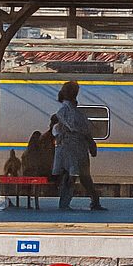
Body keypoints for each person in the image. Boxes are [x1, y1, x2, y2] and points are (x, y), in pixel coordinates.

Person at [51, 80, 105, 212]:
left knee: (70, 175)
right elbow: (83, 130)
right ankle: (93, 201)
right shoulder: (73, 112)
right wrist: (91, 144)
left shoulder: (63, 111)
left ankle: (65, 203)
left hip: (68, 147)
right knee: (81, 176)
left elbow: (57, 129)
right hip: (76, 147)